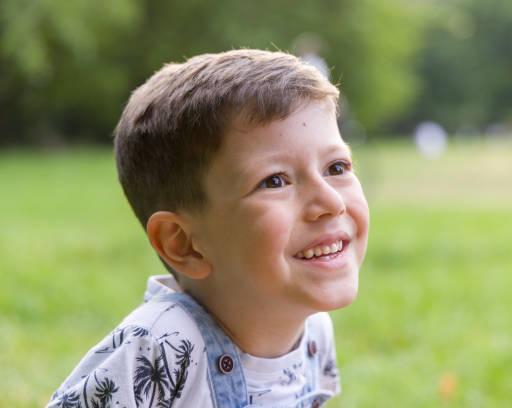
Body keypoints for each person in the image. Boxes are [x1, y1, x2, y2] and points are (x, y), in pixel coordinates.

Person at [46, 49, 369, 408]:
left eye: (337, 168)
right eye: (275, 181)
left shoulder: (313, 330)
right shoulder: (161, 346)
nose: (331, 203)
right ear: (184, 244)